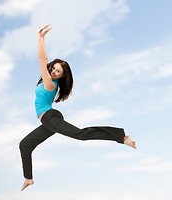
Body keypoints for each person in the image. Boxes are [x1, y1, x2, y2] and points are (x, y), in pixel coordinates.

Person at [19, 24, 136, 191]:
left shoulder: (50, 84)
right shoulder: (49, 80)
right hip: (47, 121)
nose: (52, 71)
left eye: (57, 71)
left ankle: (121, 137)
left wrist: (40, 38)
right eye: (53, 68)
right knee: (25, 144)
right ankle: (28, 178)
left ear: (61, 75)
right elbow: (45, 61)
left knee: (81, 135)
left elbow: (42, 58)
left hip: (50, 118)